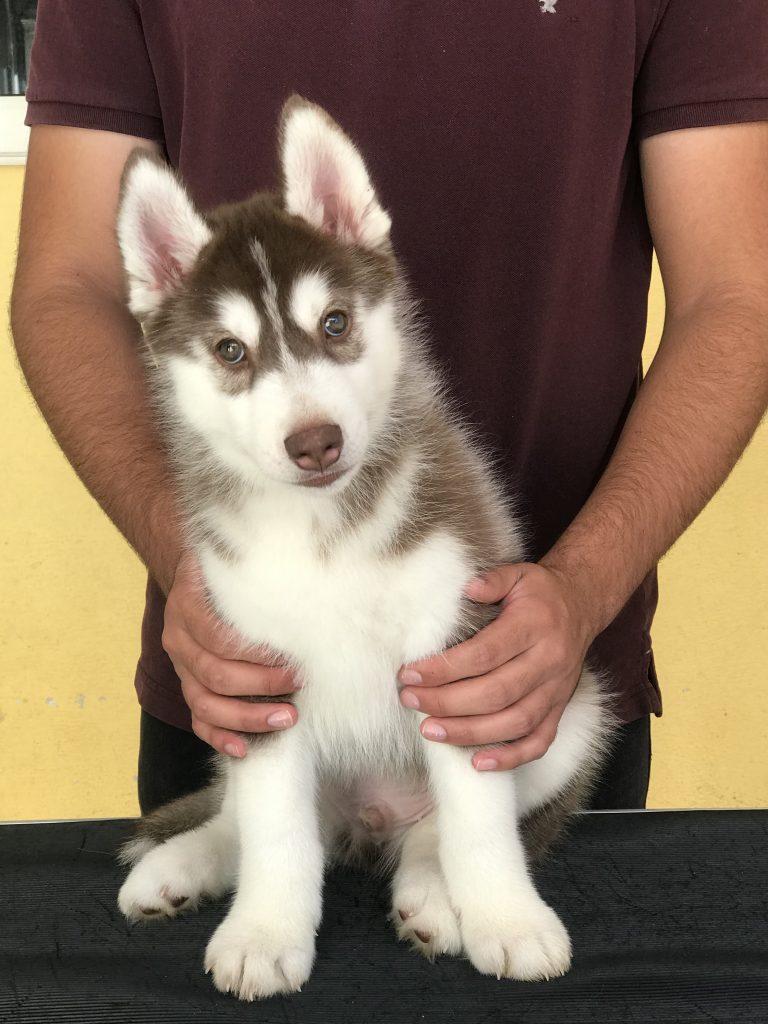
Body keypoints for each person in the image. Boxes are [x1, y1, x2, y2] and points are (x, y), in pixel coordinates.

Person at [11, 1, 768, 814]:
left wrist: (583, 591)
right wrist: (189, 556)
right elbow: (70, 284)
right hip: (249, 682)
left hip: (538, 699)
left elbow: (735, 297)